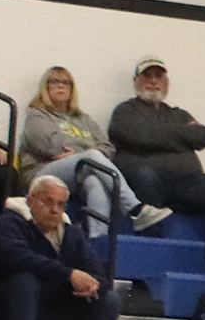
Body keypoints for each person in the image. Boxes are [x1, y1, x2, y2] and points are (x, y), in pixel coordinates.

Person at [0, 174, 121, 320]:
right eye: (48, 201)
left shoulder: (71, 234)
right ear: (30, 200)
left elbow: (97, 272)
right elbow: (16, 257)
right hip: (7, 307)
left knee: (109, 300)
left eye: (60, 204)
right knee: (25, 278)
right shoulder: (8, 223)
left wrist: (89, 285)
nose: (54, 210)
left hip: (49, 309)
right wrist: (68, 274)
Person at [107, 56, 205, 238]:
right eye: (147, 76)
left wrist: (155, 136)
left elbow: (203, 135)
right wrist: (180, 136)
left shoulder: (178, 113)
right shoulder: (125, 111)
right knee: (143, 174)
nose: (153, 81)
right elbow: (138, 136)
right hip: (151, 183)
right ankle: (152, 244)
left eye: (159, 76)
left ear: (167, 82)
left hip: (189, 183)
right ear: (136, 81)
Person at [19, 65, 159, 235]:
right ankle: (135, 208)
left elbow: (108, 148)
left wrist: (77, 152)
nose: (61, 86)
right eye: (54, 82)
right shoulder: (37, 115)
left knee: (95, 181)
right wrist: (85, 151)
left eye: (66, 82)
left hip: (76, 173)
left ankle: (96, 240)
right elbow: (51, 145)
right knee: (91, 156)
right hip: (41, 172)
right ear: (45, 87)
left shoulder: (84, 119)